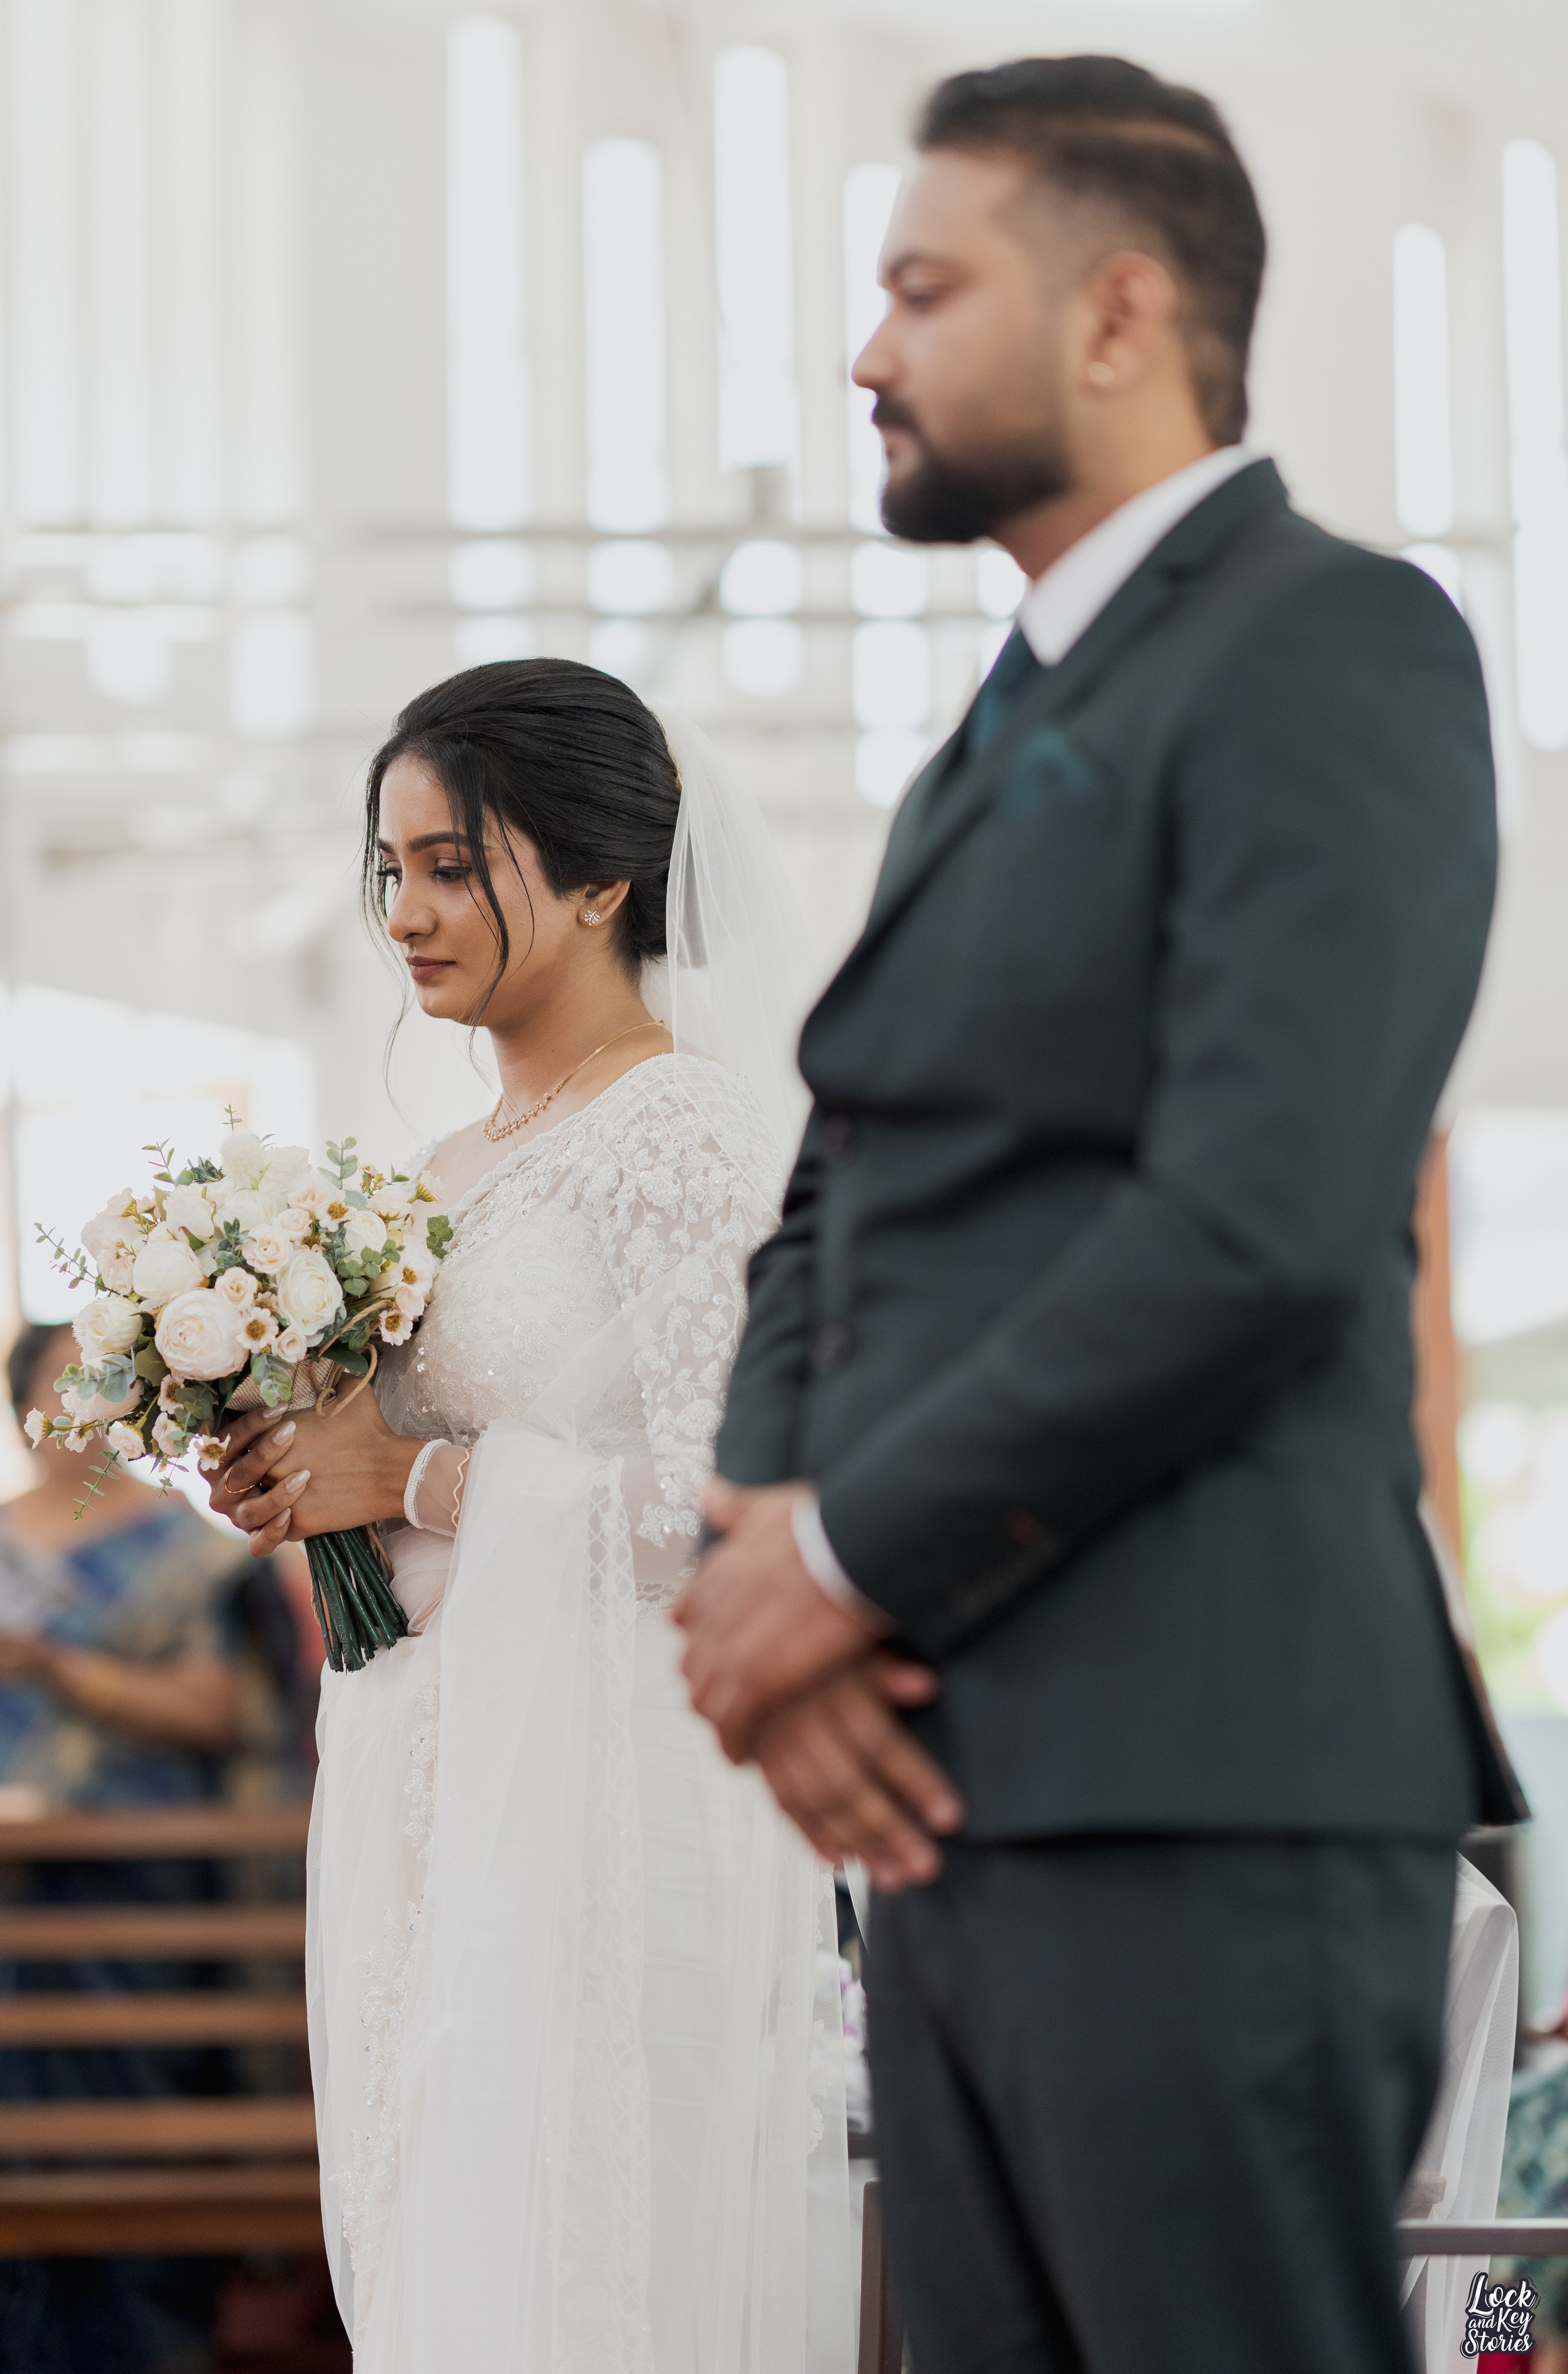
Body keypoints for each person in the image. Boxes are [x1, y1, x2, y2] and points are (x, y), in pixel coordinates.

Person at [677, 53, 1519, 2374]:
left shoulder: (1335, 646)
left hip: (1201, 1787)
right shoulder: (989, 728)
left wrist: (840, 1573)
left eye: (924, 292)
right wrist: (759, 1549)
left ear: (1125, 310)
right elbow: (836, 1181)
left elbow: (1255, 1220)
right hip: (951, 1802)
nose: (868, 355)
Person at [208, 660, 852, 2374]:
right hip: (431, 1769)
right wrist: (290, 1466)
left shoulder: (686, 1140)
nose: (407, 913)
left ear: (599, 882)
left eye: (451, 867)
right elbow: (396, 1465)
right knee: (448, 2254)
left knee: (582, 2257)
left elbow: (723, 1511)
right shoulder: (450, 1171)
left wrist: (405, 1482)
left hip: (601, 1795)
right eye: (392, 870)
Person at [0, 1321, 269, 2372]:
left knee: (125, 2131)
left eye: (99, 1388)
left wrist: (61, 1670)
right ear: (22, 1406)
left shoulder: (186, 1550)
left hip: (132, 1882)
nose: (76, 1410)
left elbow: (225, 1711)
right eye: (58, 1387)